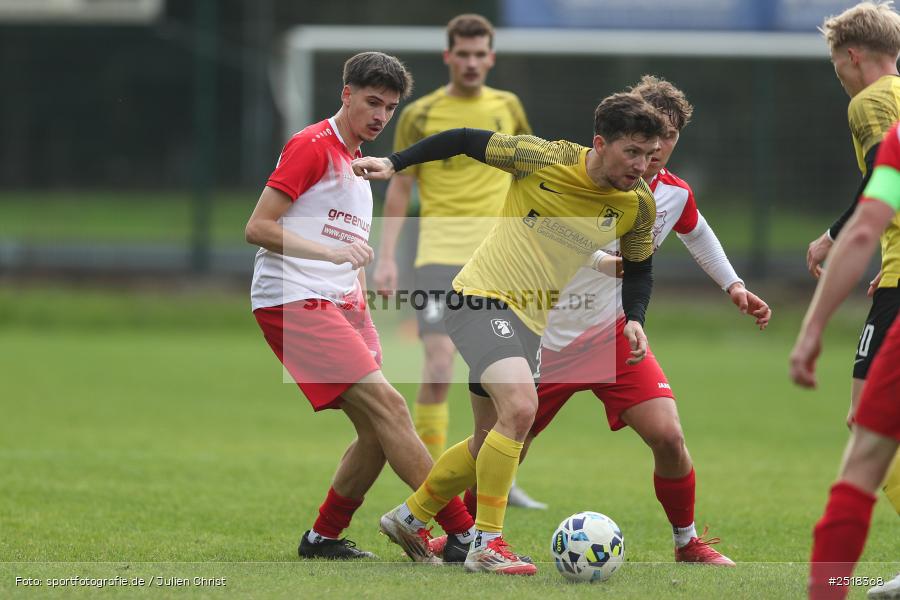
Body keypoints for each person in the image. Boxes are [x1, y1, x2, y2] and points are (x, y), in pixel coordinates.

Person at [457, 75, 765, 568]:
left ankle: (687, 542)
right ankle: (461, 537)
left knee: (668, 435)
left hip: (611, 333)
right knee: (508, 442)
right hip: (545, 333)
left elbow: (698, 233)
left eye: (669, 137)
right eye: (649, 137)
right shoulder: (579, 172)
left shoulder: (671, 195)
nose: (658, 148)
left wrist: (733, 286)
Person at [353, 92, 666, 574]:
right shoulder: (543, 157)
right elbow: (461, 139)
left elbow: (641, 269)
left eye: (649, 154)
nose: (642, 165)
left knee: (486, 440)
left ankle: (411, 517)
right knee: (521, 409)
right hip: (480, 297)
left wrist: (637, 318)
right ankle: (486, 543)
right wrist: (395, 162)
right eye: (632, 152)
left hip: (531, 320)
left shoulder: (638, 205)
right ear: (600, 143)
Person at [244, 51, 473, 561]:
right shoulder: (312, 146)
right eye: (372, 102)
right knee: (391, 409)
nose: (380, 115)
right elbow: (257, 228)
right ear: (345, 94)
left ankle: (322, 539)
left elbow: (349, 242)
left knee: (376, 429)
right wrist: (331, 254)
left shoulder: (361, 161)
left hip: (341, 303)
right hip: (293, 300)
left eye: (389, 108)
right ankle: (465, 534)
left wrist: (361, 299)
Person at [373, 14, 544, 509]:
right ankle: (431, 484)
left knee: (500, 383)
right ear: (448, 57)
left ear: (490, 57)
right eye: (462, 54)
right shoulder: (421, 113)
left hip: (500, 263)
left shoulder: (507, 107)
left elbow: (529, 167)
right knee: (437, 366)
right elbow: (401, 183)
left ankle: (496, 479)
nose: (471, 63)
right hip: (438, 258)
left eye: (479, 54)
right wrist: (386, 257)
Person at [802, 3, 900, 595]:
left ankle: (828, 585)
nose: (838, 72)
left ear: (853, 55)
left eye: (837, 62)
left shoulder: (868, 102)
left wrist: (833, 237)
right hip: (892, 276)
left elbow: (880, 187)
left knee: (866, 429)